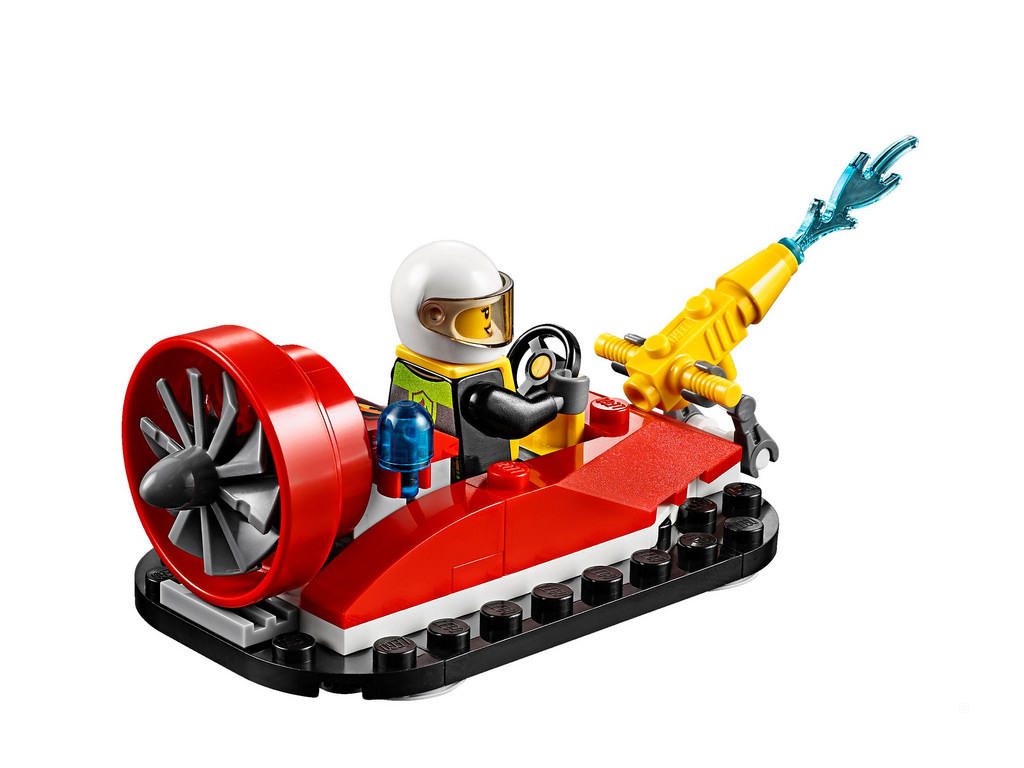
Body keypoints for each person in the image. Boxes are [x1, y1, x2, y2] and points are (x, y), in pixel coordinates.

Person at [389, 240, 568, 480]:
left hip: (427, 472)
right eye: (482, 315)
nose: (491, 326)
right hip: (478, 480)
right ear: (435, 317)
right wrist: (557, 400)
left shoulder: (406, 370)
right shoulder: (478, 391)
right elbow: (522, 419)